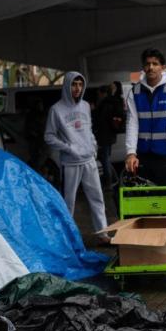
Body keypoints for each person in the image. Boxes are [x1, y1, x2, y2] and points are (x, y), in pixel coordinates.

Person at [45, 72, 111, 245]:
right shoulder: (56, 110)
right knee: (69, 202)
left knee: (97, 197)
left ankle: (102, 233)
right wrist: (69, 148)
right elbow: (49, 136)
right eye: (74, 84)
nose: (77, 88)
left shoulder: (86, 106)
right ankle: (68, 238)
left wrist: (94, 146)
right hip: (70, 163)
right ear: (67, 85)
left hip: (89, 160)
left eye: (80, 85)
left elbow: (88, 130)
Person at [124, 48, 166, 185]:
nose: (151, 67)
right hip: (142, 155)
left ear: (163, 68)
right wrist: (131, 153)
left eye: (155, 63)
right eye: (147, 64)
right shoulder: (134, 92)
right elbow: (132, 123)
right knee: (144, 198)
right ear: (143, 67)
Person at [94, 81, 125, 188]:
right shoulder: (112, 102)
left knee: (104, 158)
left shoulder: (107, 103)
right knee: (105, 158)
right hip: (109, 135)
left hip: (105, 135)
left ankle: (109, 182)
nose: (98, 96)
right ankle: (113, 179)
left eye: (99, 94)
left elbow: (101, 120)